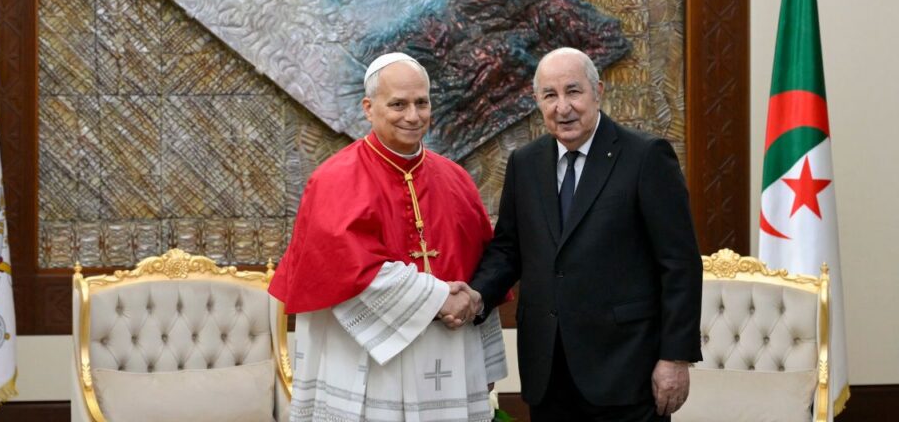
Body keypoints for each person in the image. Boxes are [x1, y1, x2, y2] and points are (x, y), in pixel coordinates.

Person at [466, 47, 702, 421]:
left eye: (573, 91)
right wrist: (475, 297)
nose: (563, 107)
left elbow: (680, 264)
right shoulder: (525, 163)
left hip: (625, 371)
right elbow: (509, 250)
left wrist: (674, 357)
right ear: (537, 102)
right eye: (550, 95)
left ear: (598, 92)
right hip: (548, 372)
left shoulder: (646, 157)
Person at [269, 52, 506, 422]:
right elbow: (351, 270)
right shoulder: (335, 179)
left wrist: (473, 309)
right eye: (398, 104)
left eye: (421, 103)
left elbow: (480, 263)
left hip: (448, 354)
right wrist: (440, 297)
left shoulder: (456, 179)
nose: (413, 116)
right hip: (371, 362)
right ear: (368, 107)